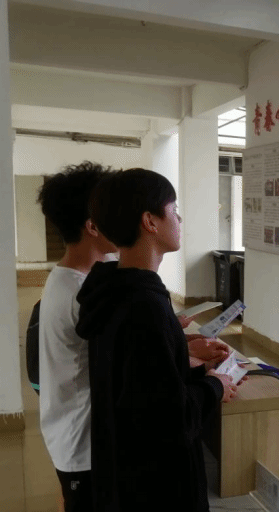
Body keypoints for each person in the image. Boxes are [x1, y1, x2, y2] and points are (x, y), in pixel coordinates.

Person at [75, 168, 238, 511]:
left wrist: (196, 371)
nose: (179, 219)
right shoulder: (144, 305)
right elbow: (170, 421)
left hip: (122, 474)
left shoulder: (113, 291)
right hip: (155, 488)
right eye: (173, 210)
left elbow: (140, 386)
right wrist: (215, 387)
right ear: (150, 221)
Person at [37, 162, 117, 511]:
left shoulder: (67, 278)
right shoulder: (82, 293)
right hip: (83, 444)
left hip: (69, 434)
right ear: (93, 226)